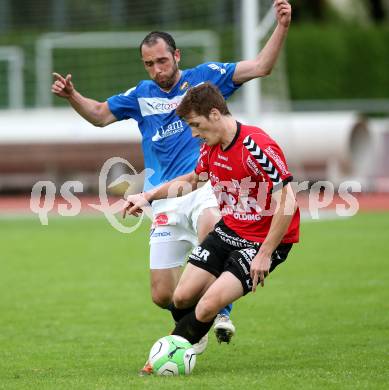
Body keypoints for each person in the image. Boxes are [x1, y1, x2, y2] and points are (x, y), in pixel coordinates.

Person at [51, 0, 292, 370]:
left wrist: (281, 26)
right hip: (165, 196)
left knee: (213, 221)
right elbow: (99, 115)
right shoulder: (140, 94)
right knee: (165, 295)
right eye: (149, 64)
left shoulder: (206, 80)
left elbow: (261, 66)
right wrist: (72, 98)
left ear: (176, 55)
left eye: (162, 60)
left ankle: (219, 311)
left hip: (203, 187)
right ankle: (191, 330)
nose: (157, 69)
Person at [122, 83, 300, 361]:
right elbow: (193, 180)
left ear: (215, 114)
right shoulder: (210, 148)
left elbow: (288, 201)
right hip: (229, 230)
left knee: (206, 306)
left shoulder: (256, 147)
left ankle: (166, 356)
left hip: (262, 242)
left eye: (196, 125)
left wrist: (265, 253)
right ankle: (192, 335)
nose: (193, 133)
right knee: (180, 298)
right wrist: (148, 195)